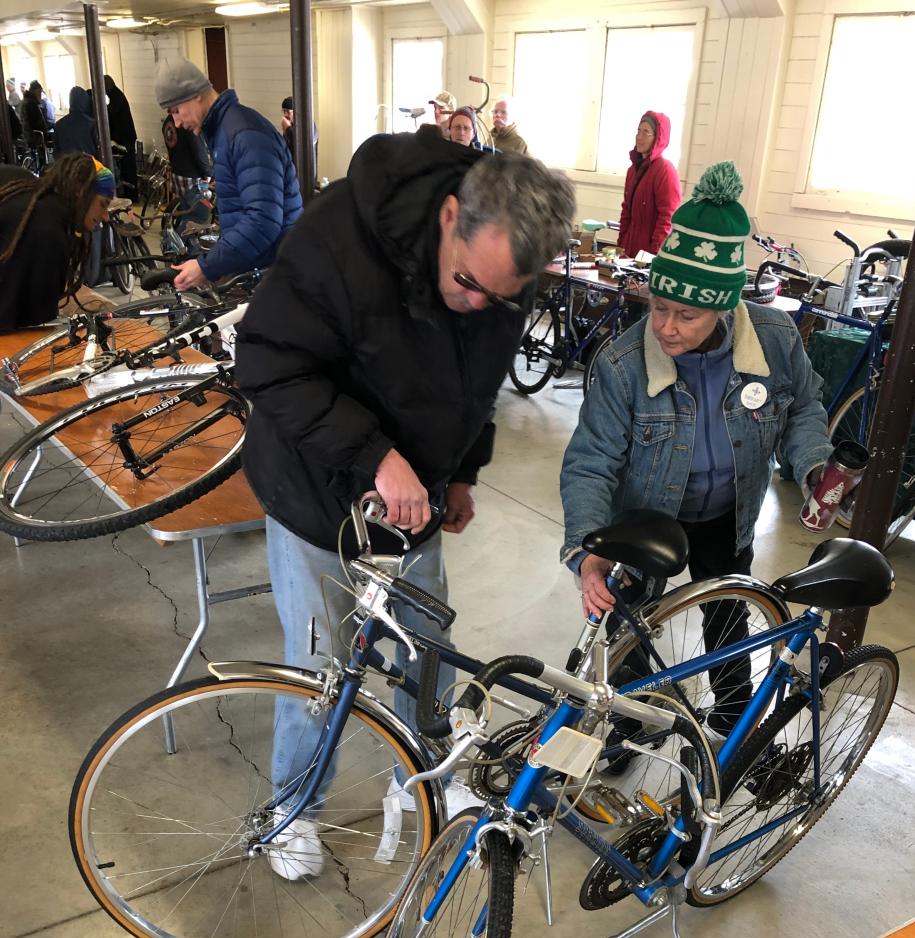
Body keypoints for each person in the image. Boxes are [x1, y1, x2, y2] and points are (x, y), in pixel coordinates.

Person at [234, 134, 575, 873]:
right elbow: (264, 361)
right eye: (470, 283)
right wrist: (374, 456)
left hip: (413, 500)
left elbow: (477, 385)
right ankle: (294, 811)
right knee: (321, 666)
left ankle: (428, 781)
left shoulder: (502, 271)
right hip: (313, 488)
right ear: (450, 214)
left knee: (429, 651)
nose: (481, 304)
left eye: (502, 297)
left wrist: (461, 473)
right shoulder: (337, 240)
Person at [560, 162, 832, 735]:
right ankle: (629, 727)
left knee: (729, 620)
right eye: (659, 306)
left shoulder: (775, 340)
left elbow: (803, 405)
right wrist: (588, 550)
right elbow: (591, 461)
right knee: (627, 628)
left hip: (726, 513)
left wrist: (812, 467)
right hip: (646, 515)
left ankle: (733, 731)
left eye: (687, 314)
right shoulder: (622, 364)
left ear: (726, 308)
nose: (666, 326)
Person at [154, 56, 302, 291]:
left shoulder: (244, 134)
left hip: (277, 275)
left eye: (177, 110)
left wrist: (206, 266)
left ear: (196, 95)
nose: (177, 122)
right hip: (261, 269)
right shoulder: (224, 131)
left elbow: (263, 220)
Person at [0, 153, 114, 332]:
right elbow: (35, 320)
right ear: (81, 192)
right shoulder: (48, 233)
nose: (106, 216)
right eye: (103, 204)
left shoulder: (30, 190)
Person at [617, 110, 681, 258]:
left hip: (649, 254)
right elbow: (626, 211)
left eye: (646, 132)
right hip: (628, 251)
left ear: (658, 138)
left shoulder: (665, 171)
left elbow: (668, 218)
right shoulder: (632, 171)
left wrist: (652, 255)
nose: (639, 137)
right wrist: (620, 246)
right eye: (638, 131)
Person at [161, 111, 213, 229]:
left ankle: (178, 244)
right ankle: (184, 245)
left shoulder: (168, 120)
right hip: (192, 179)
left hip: (177, 175)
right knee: (199, 218)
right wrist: (208, 173)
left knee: (186, 214)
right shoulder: (188, 120)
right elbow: (199, 150)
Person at [53, 87, 97, 156]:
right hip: (88, 164)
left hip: (66, 164)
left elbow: (56, 152)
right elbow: (98, 149)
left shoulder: (59, 125)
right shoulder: (91, 124)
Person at [280, 95, 318, 170]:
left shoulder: (308, 124)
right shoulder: (290, 125)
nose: (285, 115)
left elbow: (302, 144)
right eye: (284, 111)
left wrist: (287, 129)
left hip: (305, 171)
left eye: (288, 111)